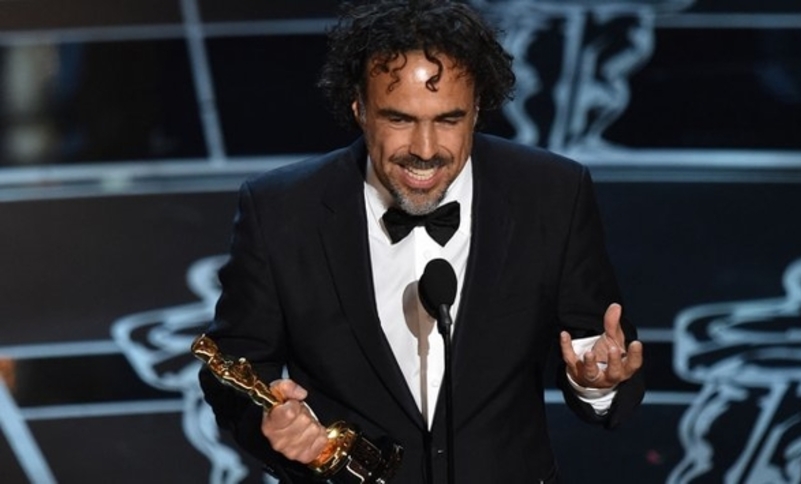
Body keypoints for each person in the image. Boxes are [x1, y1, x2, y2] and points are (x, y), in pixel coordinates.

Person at [199, 1, 645, 482]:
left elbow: (594, 344)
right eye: (399, 119)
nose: (426, 150)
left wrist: (595, 383)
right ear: (359, 108)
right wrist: (271, 421)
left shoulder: (551, 194)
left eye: (448, 120)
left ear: (477, 108)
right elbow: (234, 363)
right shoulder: (282, 210)